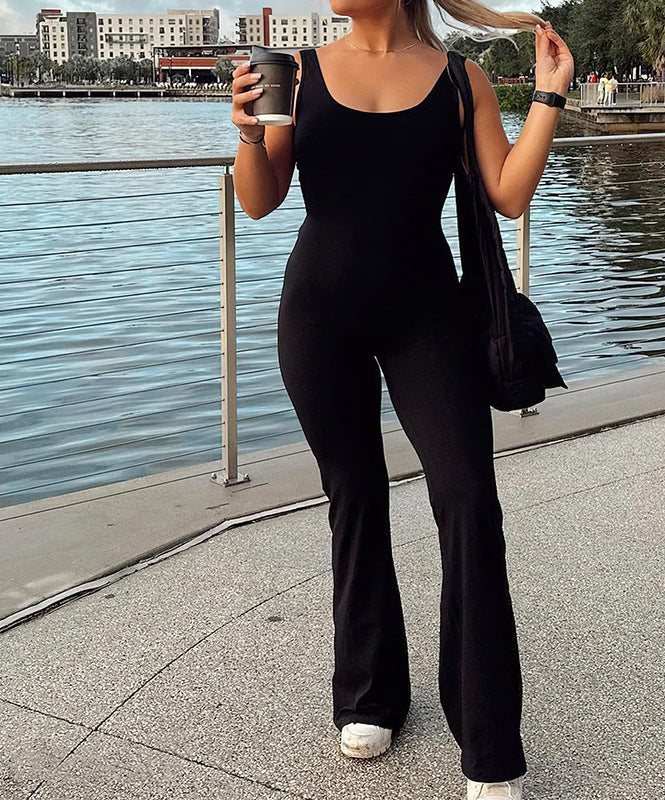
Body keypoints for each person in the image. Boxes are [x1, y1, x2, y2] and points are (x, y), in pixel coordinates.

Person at [230, 2, 573, 798]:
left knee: (467, 502)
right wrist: (248, 135)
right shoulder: (302, 71)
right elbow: (260, 199)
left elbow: (507, 194)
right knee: (354, 496)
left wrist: (550, 96)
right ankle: (369, 692)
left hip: (430, 318)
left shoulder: (462, 79)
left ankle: (489, 745)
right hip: (319, 315)